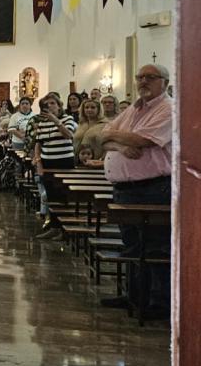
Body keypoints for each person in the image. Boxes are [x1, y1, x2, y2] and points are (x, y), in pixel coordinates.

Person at [97, 65, 172, 316]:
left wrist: (113, 134)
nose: (143, 82)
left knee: (155, 246)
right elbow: (101, 139)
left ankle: (158, 303)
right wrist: (119, 144)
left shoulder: (168, 108)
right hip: (126, 190)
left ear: (165, 81)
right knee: (131, 244)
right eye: (140, 77)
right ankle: (134, 296)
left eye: (150, 78)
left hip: (152, 189)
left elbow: (144, 141)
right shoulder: (133, 109)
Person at [29, 95, 77, 238]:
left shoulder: (67, 119)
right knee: (51, 196)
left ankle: (65, 228)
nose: (50, 106)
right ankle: (54, 226)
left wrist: (56, 121)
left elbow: (68, 135)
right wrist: (38, 163)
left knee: (63, 196)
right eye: (47, 104)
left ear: (59, 105)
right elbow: (38, 143)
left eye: (53, 103)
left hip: (64, 162)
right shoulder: (42, 123)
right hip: (47, 162)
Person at [73, 98, 108, 163]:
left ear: (98, 110)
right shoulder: (81, 124)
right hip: (78, 162)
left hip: (96, 161)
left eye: (93, 107)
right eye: (86, 107)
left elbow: (107, 145)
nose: (89, 110)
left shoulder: (105, 124)